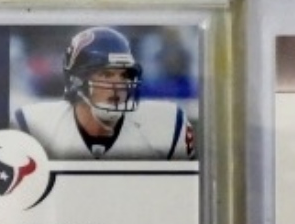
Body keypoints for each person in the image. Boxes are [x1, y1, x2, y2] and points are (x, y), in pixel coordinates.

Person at [16, 27, 197, 160]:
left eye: (124, 75)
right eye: (107, 74)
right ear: (77, 81)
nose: (119, 84)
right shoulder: (36, 126)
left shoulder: (166, 127)